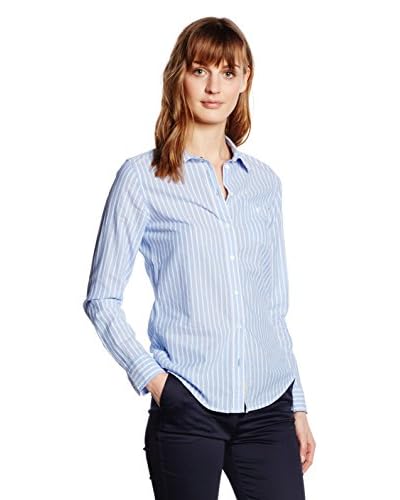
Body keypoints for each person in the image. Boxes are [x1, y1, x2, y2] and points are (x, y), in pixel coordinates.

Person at [83, 16, 316, 500]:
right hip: (188, 408)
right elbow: (102, 299)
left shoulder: (263, 183)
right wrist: (156, 382)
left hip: (269, 407)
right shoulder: (142, 178)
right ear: (179, 76)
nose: (214, 87)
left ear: (245, 80)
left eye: (228, 73)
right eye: (200, 70)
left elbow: (272, 307)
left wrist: (297, 405)